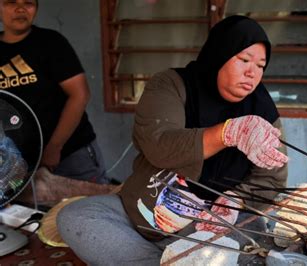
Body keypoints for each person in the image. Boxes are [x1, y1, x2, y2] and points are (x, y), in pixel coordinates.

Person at [57, 15, 289, 265]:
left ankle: (169, 258)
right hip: (143, 207)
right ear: (219, 55)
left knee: (245, 245)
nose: (251, 73)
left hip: (209, 221)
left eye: (260, 65)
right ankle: (164, 260)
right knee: (75, 217)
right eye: (244, 60)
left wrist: (236, 199)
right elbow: (158, 145)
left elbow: (271, 177)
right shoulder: (172, 85)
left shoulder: (262, 110)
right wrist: (227, 133)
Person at [0, 0, 109, 183]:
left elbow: (80, 95)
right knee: (35, 210)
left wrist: (54, 148)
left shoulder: (50, 43)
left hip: (70, 153)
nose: (20, 8)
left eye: (28, 3)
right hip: (22, 159)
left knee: (89, 206)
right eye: (11, 2)